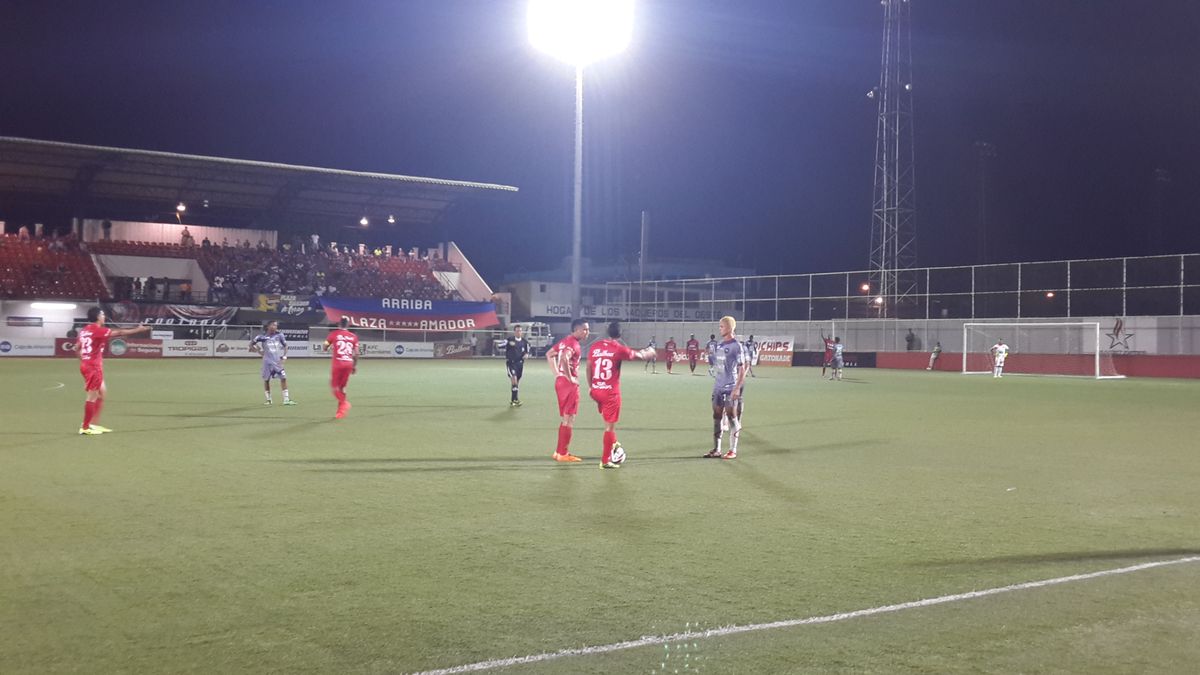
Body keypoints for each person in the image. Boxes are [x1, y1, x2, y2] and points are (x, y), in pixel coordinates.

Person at [587, 321, 656, 469]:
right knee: (609, 427)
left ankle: (614, 445)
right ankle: (605, 460)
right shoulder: (618, 348)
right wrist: (648, 352)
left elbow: (588, 367)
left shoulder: (595, 347)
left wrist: (590, 387)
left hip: (596, 390)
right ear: (620, 334)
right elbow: (638, 356)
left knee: (608, 423)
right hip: (610, 393)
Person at [76, 307, 150, 435]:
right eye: (103, 314)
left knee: (102, 393)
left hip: (87, 365)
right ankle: (85, 427)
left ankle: (92, 424)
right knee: (92, 397)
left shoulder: (84, 331)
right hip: (93, 367)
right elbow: (120, 332)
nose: (104, 316)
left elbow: (77, 348)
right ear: (98, 317)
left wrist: (84, 361)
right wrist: (138, 329)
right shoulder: (97, 330)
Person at [702, 316, 748, 460]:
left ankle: (733, 450)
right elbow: (718, 365)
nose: (720, 328)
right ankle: (716, 449)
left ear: (729, 328)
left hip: (730, 387)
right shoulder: (720, 345)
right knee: (716, 417)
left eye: (722, 326)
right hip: (718, 387)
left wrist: (736, 389)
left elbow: (742, 369)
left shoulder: (737, 346)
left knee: (732, 418)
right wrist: (710, 358)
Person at [545, 318, 590, 462]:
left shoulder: (565, 341)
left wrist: (557, 374)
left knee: (566, 417)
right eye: (585, 329)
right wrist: (570, 378)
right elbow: (564, 358)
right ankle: (563, 453)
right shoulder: (574, 344)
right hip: (569, 385)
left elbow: (549, 354)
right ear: (576, 330)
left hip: (560, 382)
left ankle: (558, 452)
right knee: (570, 418)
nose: (587, 332)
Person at [250, 320, 294, 406]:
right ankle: (269, 400)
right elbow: (251, 344)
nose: (275, 327)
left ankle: (286, 399)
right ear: (268, 326)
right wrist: (259, 351)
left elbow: (285, 346)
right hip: (266, 361)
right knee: (266, 380)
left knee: (283, 378)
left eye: (276, 325)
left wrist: (284, 356)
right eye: (273, 325)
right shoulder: (261, 337)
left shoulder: (279, 335)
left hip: (277, 361)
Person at [324, 317, 359, 418]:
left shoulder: (333, 334)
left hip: (338, 364)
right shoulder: (353, 337)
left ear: (339, 324)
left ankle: (344, 403)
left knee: (334, 387)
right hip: (348, 363)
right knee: (342, 387)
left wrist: (327, 346)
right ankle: (340, 413)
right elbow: (356, 354)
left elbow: (325, 346)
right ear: (347, 325)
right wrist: (354, 366)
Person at [504, 325, 530, 407]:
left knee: (516, 383)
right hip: (511, 363)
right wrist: (508, 343)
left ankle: (514, 400)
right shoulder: (509, 340)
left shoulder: (525, 342)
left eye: (520, 331)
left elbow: (527, 351)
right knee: (514, 379)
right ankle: (515, 400)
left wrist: (526, 355)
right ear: (514, 332)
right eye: (517, 331)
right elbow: (499, 345)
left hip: (520, 364)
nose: (519, 332)